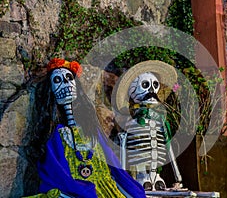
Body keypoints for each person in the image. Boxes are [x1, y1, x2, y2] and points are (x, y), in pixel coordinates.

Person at [26, 58, 145, 198]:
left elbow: (111, 159)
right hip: (76, 190)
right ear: (51, 90)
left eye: (69, 78)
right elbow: (55, 169)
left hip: (104, 188)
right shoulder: (58, 134)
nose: (66, 84)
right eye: (57, 81)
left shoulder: (92, 130)